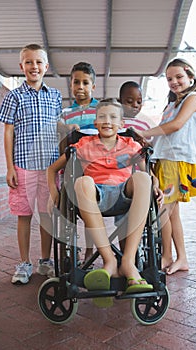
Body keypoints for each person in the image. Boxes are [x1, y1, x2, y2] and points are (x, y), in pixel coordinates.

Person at [47, 98, 163, 307]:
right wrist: (54, 193)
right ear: (95, 121)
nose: (107, 121)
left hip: (123, 197)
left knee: (143, 179)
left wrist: (155, 184)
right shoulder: (83, 145)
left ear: (121, 124)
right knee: (82, 181)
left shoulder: (131, 145)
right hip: (94, 197)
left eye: (112, 117)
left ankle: (127, 262)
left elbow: (148, 172)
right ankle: (109, 260)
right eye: (102, 117)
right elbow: (52, 169)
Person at [0, 44, 62, 284]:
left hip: (49, 168)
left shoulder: (55, 96)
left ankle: (46, 261)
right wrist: (10, 167)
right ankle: (24, 263)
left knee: (46, 215)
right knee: (23, 215)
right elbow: (8, 132)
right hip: (23, 166)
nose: (34, 66)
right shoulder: (14, 96)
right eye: (28, 62)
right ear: (21, 66)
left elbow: (59, 130)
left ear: (46, 66)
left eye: (38, 62)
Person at [135, 58, 196, 275]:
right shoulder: (172, 104)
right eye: (169, 79)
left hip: (176, 162)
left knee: (164, 210)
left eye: (179, 77)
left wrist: (146, 132)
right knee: (172, 213)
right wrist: (149, 142)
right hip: (165, 160)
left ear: (190, 77)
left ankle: (167, 255)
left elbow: (175, 126)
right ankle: (180, 257)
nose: (174, 82)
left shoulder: (192, 98)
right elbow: (164, 135)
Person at [59, 62, 99, 263]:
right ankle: (74, 248)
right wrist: (65, 130)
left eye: (85, 82)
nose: (80, 87)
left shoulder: (101, 110)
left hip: (98, 169)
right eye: (76, 82)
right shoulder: (65, 114)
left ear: (93, 86)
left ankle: (90, 250)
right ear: (71, 85)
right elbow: (61, 148)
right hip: (74, 169)